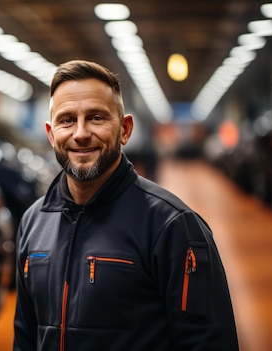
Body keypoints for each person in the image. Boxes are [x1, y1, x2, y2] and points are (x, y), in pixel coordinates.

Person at [13, 59, 239, 351]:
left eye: (96, 117)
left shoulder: (172, 226)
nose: (80, 133)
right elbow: (24, 338)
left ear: (125, 129)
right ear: (50, 133)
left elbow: (209, 343)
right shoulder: (33, 222)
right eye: (67, 120)